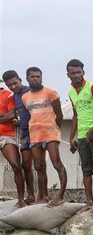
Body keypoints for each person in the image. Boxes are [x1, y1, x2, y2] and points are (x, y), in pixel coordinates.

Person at [21, 67, 67, 206]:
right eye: (33, 76)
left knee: (56, 163)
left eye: (38, 76)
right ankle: (43, 197)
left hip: (50, 133)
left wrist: (54, 129)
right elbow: (31, 114)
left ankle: (60, 195)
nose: (36, 79)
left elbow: (59, 114)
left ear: (41, 78)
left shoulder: (50, 92)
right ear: (27, 78)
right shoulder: (25, 97)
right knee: (39, 166)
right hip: (34, 135)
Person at [66, 59, 93, 214]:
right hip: (81, 135)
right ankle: (88, 202)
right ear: (68, 75)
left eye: (78, 72)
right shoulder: (70, 92)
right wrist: (71, 137)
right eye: (73, 73)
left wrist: (92, 130)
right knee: (86, 170)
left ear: (83, 72)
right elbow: (75, 115)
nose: (76, 75)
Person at [3, 70, 36, 205]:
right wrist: (18, 122)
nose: (13, 87)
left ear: (20, 80)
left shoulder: (29, 92)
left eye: (15, 83)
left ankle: (37, 196)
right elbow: (20, 114)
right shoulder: (15, 95)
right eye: (9, 85)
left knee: (39, 165)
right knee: (26, 165)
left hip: (35, 131)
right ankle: (30, 196)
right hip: (24, 133)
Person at [0, 75, 26, 207]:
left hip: (5, 134)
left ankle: (21, 200)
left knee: (16, 165)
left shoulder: (8, 95)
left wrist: (7, 117)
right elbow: (6, 116)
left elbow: (11, 115)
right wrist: (2, 116)